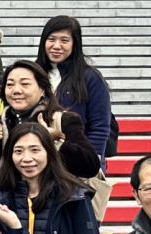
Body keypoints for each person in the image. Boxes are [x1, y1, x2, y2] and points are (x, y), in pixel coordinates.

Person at [37, 16, 115, 167]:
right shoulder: (32, 74)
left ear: (75, 44)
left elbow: (99, 127)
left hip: (77, 161)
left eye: (64, 40)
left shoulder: (90, 77)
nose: (57, 46)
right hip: (38, 161)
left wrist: (91, 162)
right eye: (51, 39)